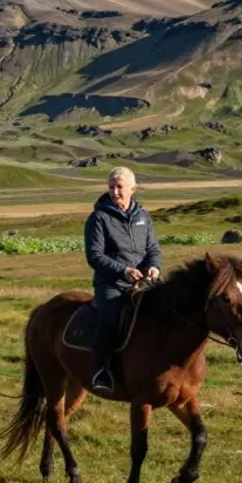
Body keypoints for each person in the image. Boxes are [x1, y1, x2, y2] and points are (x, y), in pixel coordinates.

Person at [84, 166, 162, 395]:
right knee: (109, 318)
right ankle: (101, 371)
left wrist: (154, 268)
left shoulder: (143, 217)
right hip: (112, 284)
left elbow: (153, 249)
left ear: (132, 189)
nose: (115, 192)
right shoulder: (98, 218)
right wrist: (123, 271)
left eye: (119, 187)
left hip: (144, 282)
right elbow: (95, 256)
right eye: (111, 187)